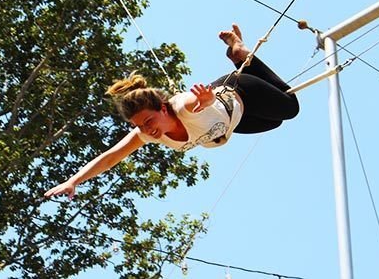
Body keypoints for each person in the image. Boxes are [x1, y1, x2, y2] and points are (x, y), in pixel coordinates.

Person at [44, 24, 299, 199]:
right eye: (140, 126)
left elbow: (193, 103)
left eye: (149, 121)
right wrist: (73, 181)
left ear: (163, 108)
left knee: (290, 107)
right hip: (230, 121)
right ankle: (238, 59)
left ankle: (241, 56)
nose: (147, 129)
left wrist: (206, 101)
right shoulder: (147, 134)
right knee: (273, 123)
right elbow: (110, 157)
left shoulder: (181, 105)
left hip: (241, 91)